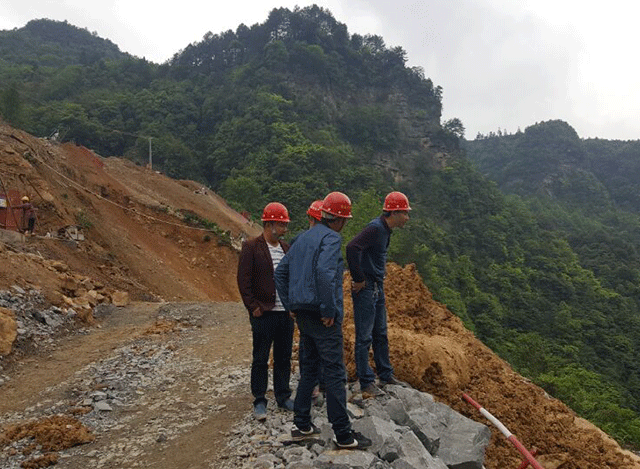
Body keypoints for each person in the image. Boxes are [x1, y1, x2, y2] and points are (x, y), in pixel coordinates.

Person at [275, 192, 372, 449]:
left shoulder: (302, 238)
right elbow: (324, 272)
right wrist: (329, 310)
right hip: (322, 316)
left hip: (303, 314)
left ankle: (302, 424)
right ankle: (343, 435)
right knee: (334, 373)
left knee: (309, 368)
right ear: (339, 219)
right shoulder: (331, 238)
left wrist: (290, 305)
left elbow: (281, 273)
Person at [346, 191, 411, 398]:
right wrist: (358, 279)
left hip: (377, 286)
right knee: (364, 336)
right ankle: (365, 382)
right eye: (405, 213)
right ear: (394, 212)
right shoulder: (375, 228)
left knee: (380, 333)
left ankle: (385, 374)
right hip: (366, 288)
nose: (407, 217)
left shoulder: (385, 230)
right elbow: (352, 247)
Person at [237, 202, 295, 421]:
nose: (284, 230)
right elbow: (244, 280)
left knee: (283, 357)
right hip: (264, 313)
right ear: (269, 224)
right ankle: (259, 399)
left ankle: (283, 396)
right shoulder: (252, 247)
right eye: (281, 225)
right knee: (260, 358)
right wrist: (253, 307)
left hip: (284, 313)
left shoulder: (286, 249)